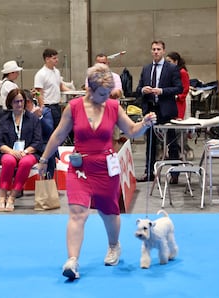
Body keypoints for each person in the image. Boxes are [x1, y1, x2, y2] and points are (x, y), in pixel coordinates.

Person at [37, 63, 157, 280]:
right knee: (77, 213)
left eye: (108, 93)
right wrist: (44, 158)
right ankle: (72, 261)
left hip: (106, 169)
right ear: (89, 89)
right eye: (102, 93)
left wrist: (145, 124)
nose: (106, 97)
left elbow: (131, 131)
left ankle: (113, 246)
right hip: (80, 168)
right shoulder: (72, 107)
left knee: (109, 213)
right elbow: (57, 135)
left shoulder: (113, 106)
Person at [136, 40, 183, 183]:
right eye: (153, 49)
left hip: (166, 110)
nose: (156, 51)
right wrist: (143, 90)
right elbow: (138, 89)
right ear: (151, 51)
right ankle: (149, 172)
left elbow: (179, 88)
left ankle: (175, 174)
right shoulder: (146, 68)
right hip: (151, 109)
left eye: (158, 49)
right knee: (150, 142)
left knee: (171, 142)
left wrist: (162, 91)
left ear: (163, 51)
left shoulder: (171, 68)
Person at [0, 88, 43, 212]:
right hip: (8, 152)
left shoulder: (33, 119)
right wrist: (11, 152)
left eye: (21, 101)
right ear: (10, 103)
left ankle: (12, 197)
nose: (20, 104)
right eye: (16, 102)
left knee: (26, 162)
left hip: (29, 152)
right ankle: (2, 196)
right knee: (9, 161)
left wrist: (25, 152)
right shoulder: (4, 119)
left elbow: (38, 141)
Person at [34, 48, 71, 129]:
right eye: (54, 58)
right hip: (48, 106)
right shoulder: (41, 74)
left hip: (57, 105)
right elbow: (38, 91)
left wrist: (75, 92)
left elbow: (61, 86)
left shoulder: (56, 71)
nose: (57, 60)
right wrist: (42, 106)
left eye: (57, 58)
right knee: (52, 129)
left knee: (58, 127)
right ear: (47, 59)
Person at [23, 89, 56, 178]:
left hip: (42, 143)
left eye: (20, 101)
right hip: (25, 145)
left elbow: (49, 130)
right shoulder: (19, 113)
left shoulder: (45, 111)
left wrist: (40, 117)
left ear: (28, 102)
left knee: (49, 151)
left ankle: (48, 181)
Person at [166, 51, 193, 160]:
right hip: (173, 99)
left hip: (181, 100)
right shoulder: (170, 72)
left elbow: (185, 88)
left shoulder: (182, 72)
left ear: (176, 61)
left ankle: (186, 150)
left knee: (181, 126)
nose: (167, 64)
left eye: (169, 62)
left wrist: (178, 97)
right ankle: (175, 150)